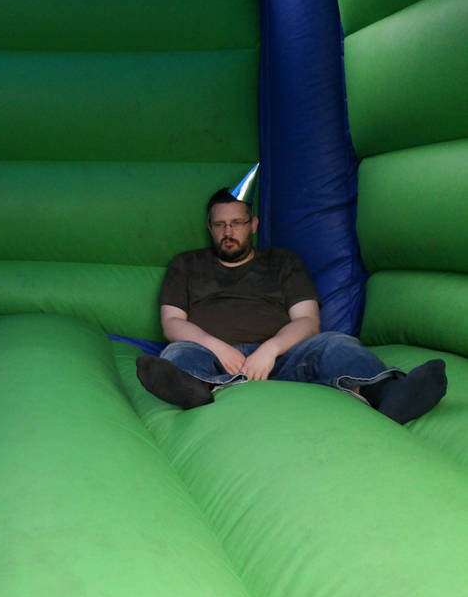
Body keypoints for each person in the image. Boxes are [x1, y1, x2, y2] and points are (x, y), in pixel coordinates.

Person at [136, 182, 447, 424]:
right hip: (212, 356)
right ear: (210, 227)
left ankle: (389, 393)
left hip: (281, 357)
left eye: (237, 223)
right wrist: (216, 346)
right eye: (220, 225)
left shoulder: (282, 261)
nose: (228, 232)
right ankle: (194, 390)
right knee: (178, 352)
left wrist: (270, 350)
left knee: (336, 343)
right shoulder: (186, 264)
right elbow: (172, 323)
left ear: (253, 225)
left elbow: (308, 321)